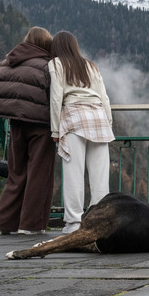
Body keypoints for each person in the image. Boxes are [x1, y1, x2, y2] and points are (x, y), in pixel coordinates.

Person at [0, 27, 56, 236]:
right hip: (40, 125)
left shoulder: (7, 62)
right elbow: (53, 95)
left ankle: (1, 223)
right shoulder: (47, 65)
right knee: (39, 174)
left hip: (15, 124)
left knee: (16, 174)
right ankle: (30, 225)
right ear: (45, 44)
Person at [49, 31, 114, 234]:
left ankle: (74, 223)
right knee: (100, 177)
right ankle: (100, 222)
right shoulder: (90, 65)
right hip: (98, 118)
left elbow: (55, 97)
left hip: (74, 118)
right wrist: (108, 122)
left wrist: (55, 129)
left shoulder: (56, 64)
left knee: (73, 174)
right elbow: (104, 97)